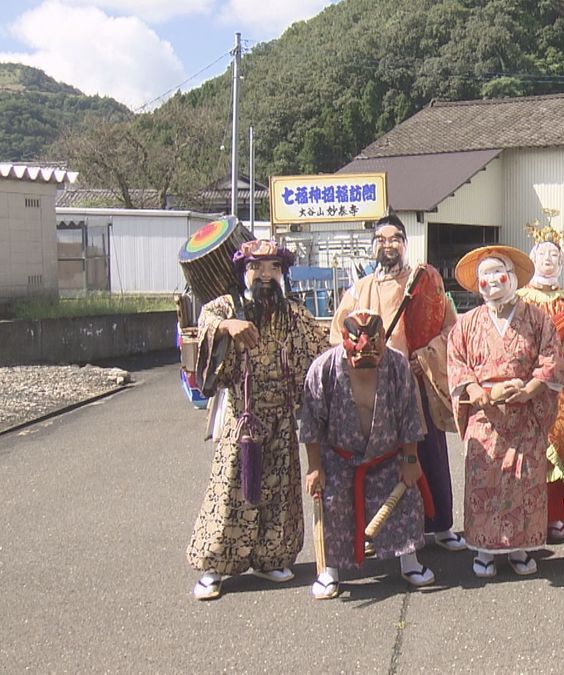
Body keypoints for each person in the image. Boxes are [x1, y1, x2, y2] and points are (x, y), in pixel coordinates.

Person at [187, 239, 329, 601]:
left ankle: (272, 557)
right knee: (231, 490)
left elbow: (325, 343)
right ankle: (214, 567)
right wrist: (227, 327)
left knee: (280, 492)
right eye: (257, 267)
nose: (266, 275)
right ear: (243, 271)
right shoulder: (227, 306)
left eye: (274, 268)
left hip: (281, 416)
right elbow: (204, 319)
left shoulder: (293, 314)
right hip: (242, 416)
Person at [329, 215, 465, 551]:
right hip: (375, 389)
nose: (388, 245)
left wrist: (426, 355)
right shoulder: (360, 289)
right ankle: (382, 529)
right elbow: (338, 334)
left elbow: (451, 330)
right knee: (381, 461)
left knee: (430, 453)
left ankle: (441, 525)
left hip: (417, 381)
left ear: (405, 244)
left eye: (395, 239)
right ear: (372, 245)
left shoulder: (423, 283)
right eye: (381, 239)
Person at [446, 245, 564, 578]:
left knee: (523, 481)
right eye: (483, 277)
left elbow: (551, 359)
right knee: (484, 479)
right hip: (485, 418)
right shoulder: (466, 324)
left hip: (525, 415)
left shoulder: (537, 319)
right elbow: (456, 364)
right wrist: (477, 393)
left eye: (497, 273)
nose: (490, 282)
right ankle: (484, 549)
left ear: (512, 277)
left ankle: (520, 548)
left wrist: (530, 389)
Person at [300, 310, 432, 599]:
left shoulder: (397, 365)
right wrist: (315, 467)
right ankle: (330, 569)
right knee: (331, 501)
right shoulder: (323, 368)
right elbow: (311, 422)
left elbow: (410, 415)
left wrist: (411, 460)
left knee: (408, 498)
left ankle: (409, 560)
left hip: (386, 456)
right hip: (339, 458)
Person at [516, 231, 564, 541]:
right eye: (543, 254)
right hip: (529, 383)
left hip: (562, 387)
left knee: (561, 448)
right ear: (532, 258)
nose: (549, 259)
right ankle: (530, 515)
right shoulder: (521, 298)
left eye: (555, 255)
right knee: (530, 450)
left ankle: (555, 516)